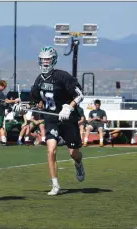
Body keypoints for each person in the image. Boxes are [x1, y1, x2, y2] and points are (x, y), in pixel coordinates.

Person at [13, 46, 85, 196]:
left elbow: (79, 95)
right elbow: (35, 102)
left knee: (74, 153)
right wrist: (22, 108)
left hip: (68, 119)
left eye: (48, 60)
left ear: (53, 60)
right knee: (51, 149)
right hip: (51, 118)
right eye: (43, 60)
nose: (45, 63)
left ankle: (78, 164)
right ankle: (55, 184)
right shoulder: (39, 80)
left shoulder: (63, 76)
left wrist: (69, 107)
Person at [0, 80, 20, 146]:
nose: (4, 89)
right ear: (2, 86)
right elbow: (6, 101)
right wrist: (15, 100)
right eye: (4, 87)